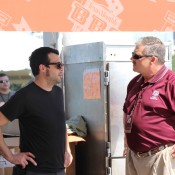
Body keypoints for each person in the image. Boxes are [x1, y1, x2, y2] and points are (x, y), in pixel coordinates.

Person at [0, 47, 73, 175]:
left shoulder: (58, 92)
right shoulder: (24, 96)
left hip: (58, 170)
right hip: (33, 171)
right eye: (58, 65)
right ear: (43, 68)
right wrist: (10, 156)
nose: (62, 68)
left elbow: (61, 124)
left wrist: (67, 150)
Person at [123, 36, 175, 175]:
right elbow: (126, 111)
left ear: (152, 59)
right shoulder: (134, 82)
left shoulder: (171, 83)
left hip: (161, 158)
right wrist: (126, 139)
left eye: (136, 55)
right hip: (134, 157)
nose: (131, 59)